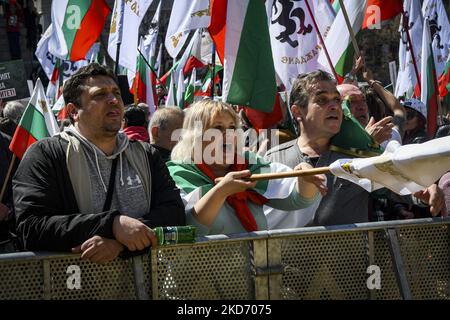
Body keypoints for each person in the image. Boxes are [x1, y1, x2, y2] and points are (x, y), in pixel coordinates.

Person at [13, 63, 185, 263]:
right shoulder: (46, 155)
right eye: (100, 95)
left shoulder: (146, 154)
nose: (113, 100)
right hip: (74, 287)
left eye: (117, 93)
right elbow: (31, 227)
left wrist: (119, 243)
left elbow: (174, 212)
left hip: (147, 287)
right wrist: (111, 224)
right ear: (73, 111)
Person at [265, 70, 447, 227]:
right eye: (322, 100)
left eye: (336, 99)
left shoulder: (360, 155)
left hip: (354, 266)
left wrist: (425, 188)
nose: (335, 106)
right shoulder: (274, 159)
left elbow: (400, 183)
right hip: (291, 266)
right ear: (297, 112)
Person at [167, 99, 326, 236]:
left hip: (255, 268)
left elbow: (297, 199)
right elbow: (189, 228)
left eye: (232, 127)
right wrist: (221, 191)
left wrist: (304, 177)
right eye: (217, 127)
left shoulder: (250, 164)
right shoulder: (178, 174)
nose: (229, 134)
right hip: (203, 270)